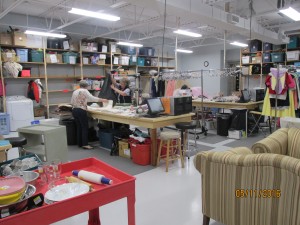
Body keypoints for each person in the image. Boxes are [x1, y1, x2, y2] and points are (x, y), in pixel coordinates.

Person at [71, 80, 108, 150]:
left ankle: (80, 143)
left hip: (74, 110)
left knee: (79, 127)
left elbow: (72, 101)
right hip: (81, 110)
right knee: (84, 127)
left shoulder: (75, 91)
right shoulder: (85, 91)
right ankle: (85, 144)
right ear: (86, 86)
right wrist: (102, 100)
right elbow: (92, 98)